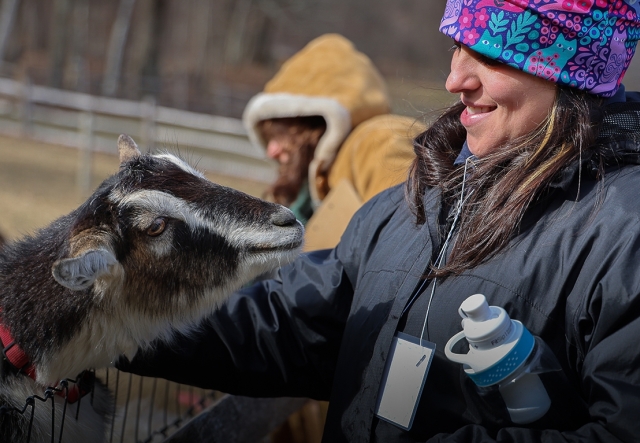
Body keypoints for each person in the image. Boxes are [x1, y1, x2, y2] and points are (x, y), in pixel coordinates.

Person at [118, 1, 640, 441]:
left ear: (569, 69)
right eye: (457, 45)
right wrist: (105, 319)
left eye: (490, 52)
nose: (455, 77)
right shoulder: (420, 199)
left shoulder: (623, 232)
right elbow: (290, 320)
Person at [243, 34, 425, 249]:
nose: (270, 151)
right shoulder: (319, 183)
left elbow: (404, 246)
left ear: (312, 123)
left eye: (279, 134)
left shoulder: (380, 139)